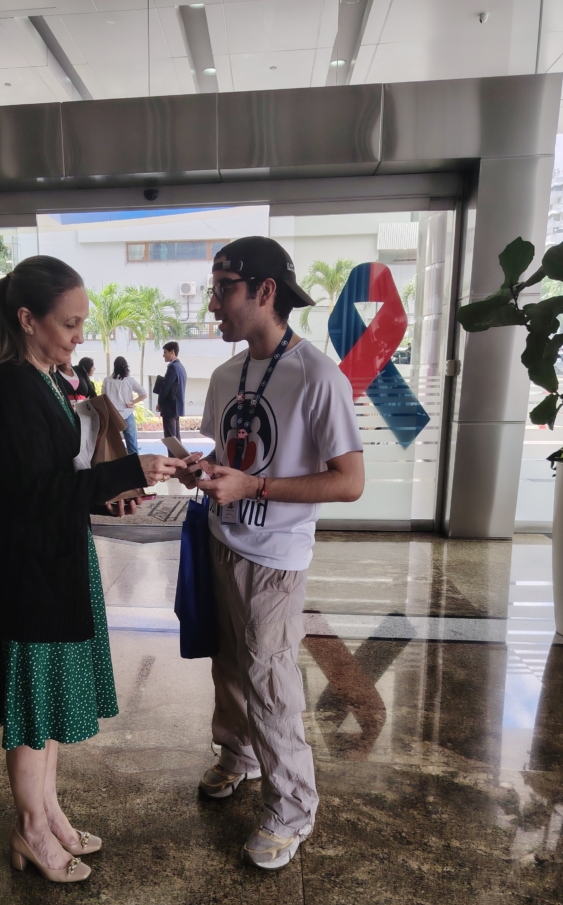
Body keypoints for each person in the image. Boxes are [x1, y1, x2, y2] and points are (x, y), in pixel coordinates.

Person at [0, 256, 184, 884]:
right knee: (33, 714)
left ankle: (50, 815)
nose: (79, 335)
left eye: (81, 322)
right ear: (27, 319)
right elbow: (33, 493)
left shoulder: (44, 379)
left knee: (46, 710)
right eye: (69, 323)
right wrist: (123, 473)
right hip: (28, 572)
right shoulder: (10, 388)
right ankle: (31, 828)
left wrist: (108, 492)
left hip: (54, 561)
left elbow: (57, 481)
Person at [180, 236, 364, 870]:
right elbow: (227, 456)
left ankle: (293, 806)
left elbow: (349, 481)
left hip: (275, 556)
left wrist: (253, 488)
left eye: (223, 289)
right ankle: (239, 754)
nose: (213, 304)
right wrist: (202, 470)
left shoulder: (317, 375)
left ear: (264, 292)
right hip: (220, 538)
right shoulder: (225, 375)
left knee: (269, 678)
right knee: (229, 662)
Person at [102, 357, 146, 455]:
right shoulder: (130, 380)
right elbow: (143, 394)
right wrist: (133, 402)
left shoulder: (107, 380)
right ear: (126, 367)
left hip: (112, 416)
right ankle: (134, 464)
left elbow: (103, 399)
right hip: (127, 414)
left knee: (112, 445)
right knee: (132, 445)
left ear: (114, 366)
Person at [157, 341, 187, 441]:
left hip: (169, 408)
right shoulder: (181, 367)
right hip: (176, 407)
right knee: (176, 439)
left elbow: (165, 388)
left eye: (165, 352)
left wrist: (159, 403)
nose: (163, 355)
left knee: (171, 439)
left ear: (172, 352)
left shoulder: (172, 367)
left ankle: (173, 453)